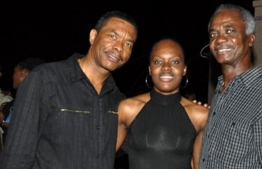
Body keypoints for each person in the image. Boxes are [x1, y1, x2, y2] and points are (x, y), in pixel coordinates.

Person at [0, 10, 138, 169]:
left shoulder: (118, 100)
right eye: (113, 36)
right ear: (93, 36)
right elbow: (17, 155)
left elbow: (140, 146)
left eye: (128, 43)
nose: (119, 47)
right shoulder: (45, 79)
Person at [199, 4, 262, 168]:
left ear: (250, 38)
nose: (219, 39)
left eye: (230, 30)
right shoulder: (220, 92)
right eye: (213, 33)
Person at [116, 38, 209, 169]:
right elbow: (101, 157)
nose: (166, 67)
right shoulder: (127, 109)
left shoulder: (200, 115)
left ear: (184, 69)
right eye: (158, 61)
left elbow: (199, 165)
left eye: (175, 61)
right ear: (150, 69)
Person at [0, 57, 45, 145]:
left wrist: (2, 122)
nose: (12, 76)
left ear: (24, 73)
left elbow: (28, 130)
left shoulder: (38, 101)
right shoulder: (14, 102)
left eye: (14, 72)